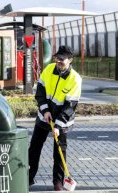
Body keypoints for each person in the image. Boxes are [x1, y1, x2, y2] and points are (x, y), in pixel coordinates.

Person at [28, 46, 82, 191]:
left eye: (62, 59)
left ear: (70, 60)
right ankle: (28, 177)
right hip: (44, 117)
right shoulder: (48, 70)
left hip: (62, 121)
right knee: (34, 148)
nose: (58, 61)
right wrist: (45, 110)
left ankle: (58, 183)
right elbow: (40, 92)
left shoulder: (75, 79)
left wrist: (57, 125)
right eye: (57, 58)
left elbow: (70, 105)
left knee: (59, 151)